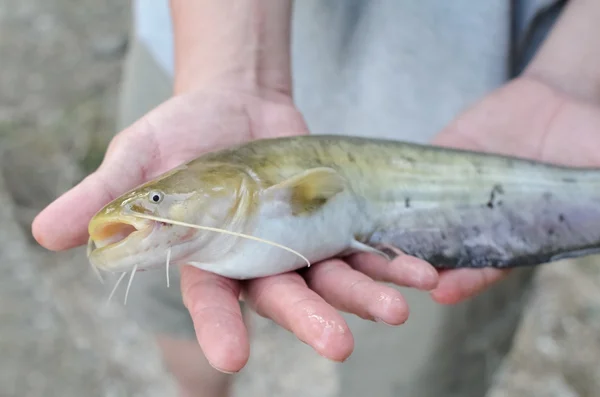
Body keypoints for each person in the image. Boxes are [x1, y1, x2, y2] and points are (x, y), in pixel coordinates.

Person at [32, 0, 600, 396]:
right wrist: (229, 70)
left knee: (415, 375)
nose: (147, 208)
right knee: (183, 328)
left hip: (490, 92)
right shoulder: (197, 164)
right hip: (200, 56)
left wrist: (571, 76)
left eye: (155, 200)